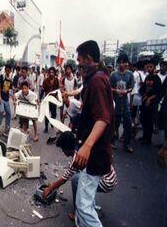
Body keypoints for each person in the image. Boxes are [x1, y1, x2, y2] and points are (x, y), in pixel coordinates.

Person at [73, 40, 114, 227]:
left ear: (89, 59)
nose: (78, 64)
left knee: (83, 206)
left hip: (95, 153)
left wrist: (87, 146)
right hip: (95, 151)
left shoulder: (97, 80)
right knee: (84, 201)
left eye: (79, 60)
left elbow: (103, 118)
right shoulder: (97, 77)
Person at [43, 131, 117, 222]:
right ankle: (88, 203)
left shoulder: (77, 158)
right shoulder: (83, 146)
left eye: (62, 149)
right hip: (110, 177)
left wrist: (50, 188)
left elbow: (65, 178)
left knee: (75, 179)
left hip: (107, 182)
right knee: (81, 176)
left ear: (66, 149)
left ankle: (78, 212)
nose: (63, 152)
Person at [110, 54, 134, 152]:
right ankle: (112, 142)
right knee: (115, 124)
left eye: (123, 62)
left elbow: (131, 87)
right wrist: (116, 90)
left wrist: (126, 91)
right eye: (119, 62)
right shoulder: (113, 75)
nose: (121, 64)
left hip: (125, 104)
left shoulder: (130, 74)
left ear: (127, 63)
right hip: (116, 103)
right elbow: (109, 88)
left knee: (128, 123)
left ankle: (126, 144)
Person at [139, 59, 162, 145]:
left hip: (152, 104)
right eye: (148, 67)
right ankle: (144, 136)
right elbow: (143, 89)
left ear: (154, 68)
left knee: (149, 121)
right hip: (145, 102)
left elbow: (158, 92)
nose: (149, 68)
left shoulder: (157, 79)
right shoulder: (147, 77)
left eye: (151, 67)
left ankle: (148, 139)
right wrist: (144, 95)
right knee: (144, 120)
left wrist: (149, 99)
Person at [0, 64, 13, 132]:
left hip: (6, 99)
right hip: (1, 98)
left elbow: (11, 89)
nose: (8, 72)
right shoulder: (1, 77)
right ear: (5, 70)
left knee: (9, 113)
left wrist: (13, 95)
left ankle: (7, 126)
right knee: (1, 111)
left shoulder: (10, 79)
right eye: (7, 70)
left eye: (9, 70)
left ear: (11, 71)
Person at [42, 67, 59, 133]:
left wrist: (58, 98)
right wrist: (40, 99)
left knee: (54, 114)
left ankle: (52, 122)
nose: (51, 74)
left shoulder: (56, 80)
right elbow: (43, 90)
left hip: (54, 99)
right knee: (47, 114)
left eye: (52, 72)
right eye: (50, 72)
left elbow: (57, 90)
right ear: (49, 73)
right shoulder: (46, 80)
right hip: (47, 99)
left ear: (54, 73)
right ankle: (46, 127)